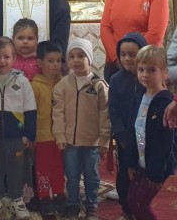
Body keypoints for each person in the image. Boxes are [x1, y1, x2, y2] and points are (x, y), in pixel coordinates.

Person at [52, 38, 110, 220]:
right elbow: (58, 113)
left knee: (92, 175)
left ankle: (92, 204)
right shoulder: (63, 84)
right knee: (72, 175)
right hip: (70, 141)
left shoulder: (98, 85)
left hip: (92, 141)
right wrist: (60, 135)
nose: (76, 60)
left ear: (89, 58)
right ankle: (73, 203)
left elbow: (105, 114)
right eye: (71, 56)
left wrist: (104, 140)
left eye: (81, 56)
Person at [0, 37, 37, 220]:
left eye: (6, 57)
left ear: (14, 58)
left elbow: (30, 109)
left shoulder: (22, 81)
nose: (2, 61)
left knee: (17, 168)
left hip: (17, 136)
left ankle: (17, 198)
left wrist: (28, 134)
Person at [126, 45, 177, 219]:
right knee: (132, 200)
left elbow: (164, 143)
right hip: (141, 162)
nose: (145, 75)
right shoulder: (140, 96)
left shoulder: (165, 103)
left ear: (164, 73)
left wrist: (156, 173)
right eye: (141, 69)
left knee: (141, 203)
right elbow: (132, 130)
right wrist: (131, 161)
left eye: (151, 70)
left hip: (157, 167)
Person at [108, 32, 147, 220]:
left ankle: (141, 208)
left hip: (145, 138)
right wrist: (120, 135)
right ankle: (127, 210)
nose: (127, 59)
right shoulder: (116, 80)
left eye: (132, 54)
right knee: (125, 176)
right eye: (123, 54)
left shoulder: (147, 78)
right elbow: (113, 110)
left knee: (143, 177)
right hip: (125, 139)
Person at [31, 41, 65, 216]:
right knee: (43, 168)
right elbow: (31, 113)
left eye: (58, 60)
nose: (55, 65)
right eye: (50, 61)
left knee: (59, 167)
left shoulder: (64, 83)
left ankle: (59, 194)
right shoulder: (35, 85)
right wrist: (31, 135)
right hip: (42, 136)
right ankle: (44, 197)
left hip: (61, 137)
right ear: (39, 63)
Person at [11, 18, 39, 204]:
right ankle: (15, 187)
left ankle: (35, 187)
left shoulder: (41, 62)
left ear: (37, 39)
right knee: (17, 152)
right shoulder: (9, 60)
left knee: (34, 152)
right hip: (15, 114)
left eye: (30, 38)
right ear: (13, 39)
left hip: (36, 113)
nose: (25, 42)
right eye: (21, 38)